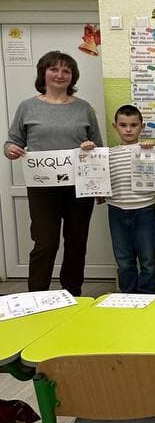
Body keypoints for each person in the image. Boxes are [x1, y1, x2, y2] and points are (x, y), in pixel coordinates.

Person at [4, 50, 102, 294]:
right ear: (43, 73)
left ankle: (72, 294)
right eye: (54, 69)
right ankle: (37, 295)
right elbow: (11, 142)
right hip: (42, 188)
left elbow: (98, 148)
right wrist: (11, 150)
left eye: (66, 70)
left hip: (80, 188)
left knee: (76, 243)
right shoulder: (27, 107)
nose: (60, 75)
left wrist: (92, 157)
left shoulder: (84, 108)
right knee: (45, 243)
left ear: (73, 77)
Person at [103, 105, 155, 294]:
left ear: (142, 127)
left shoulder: (149, 150)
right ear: (115, 126)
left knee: (148, 260)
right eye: (123, 125)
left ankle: (146, 297)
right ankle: (128, 297)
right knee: (124, 260)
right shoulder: (108, 154)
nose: (128, 129)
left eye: (134, 125)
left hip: (145, 211)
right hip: (116, 211)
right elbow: (95, 177)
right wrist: (88, 152)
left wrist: (152, 153)